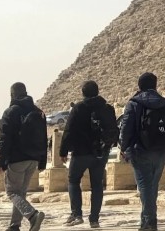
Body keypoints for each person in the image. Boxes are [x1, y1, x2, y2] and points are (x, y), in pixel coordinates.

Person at [119, 73, 165, 231]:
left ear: (139, 86)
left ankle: (150, 221)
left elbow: (126, 129)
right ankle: (147, 221)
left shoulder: (133, 103)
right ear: (155, 85)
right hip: (161, 151)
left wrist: (123, 148)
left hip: (140, 150)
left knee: (145, 186)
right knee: (152, 186)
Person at [60, 81, 118, 227]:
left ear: (83, 93)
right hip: (100, 153)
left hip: (81, 152)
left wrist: (63, 151)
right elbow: (114, 129)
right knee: (97, 185)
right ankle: (94, 219)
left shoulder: (78, 108)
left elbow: (69, 130)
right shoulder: (107, 108)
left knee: (73, 181)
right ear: (97, 92)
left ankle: (76, 214)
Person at [0, 82, 47, 231]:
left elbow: (5, 139)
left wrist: (1, 161)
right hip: (33, 158)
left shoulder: (11, 112)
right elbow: (44, 138)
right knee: (21, 193)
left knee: (12, 192)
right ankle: (15, 225)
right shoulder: (38, 112)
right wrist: (42, 160)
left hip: (17, 158)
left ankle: (32, 215)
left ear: (12, 94)